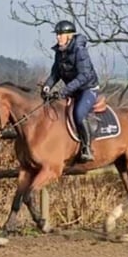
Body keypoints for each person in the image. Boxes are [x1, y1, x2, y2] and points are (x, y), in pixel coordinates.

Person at [41, 20, 99, 162]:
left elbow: (84, 76)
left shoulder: (80, 50)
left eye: (61, 34)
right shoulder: (59, 52)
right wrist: (47, 86)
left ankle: (87, 148)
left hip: (87, 89)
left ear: (69, 36)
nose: (58, 37)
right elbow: (55, 73)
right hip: (72, 90)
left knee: (79, 114)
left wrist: (64, 91)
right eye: (57, 34)